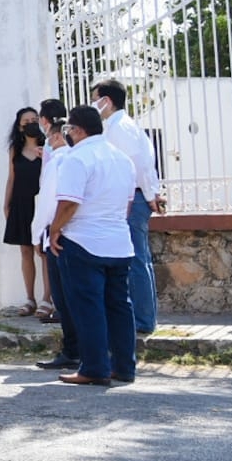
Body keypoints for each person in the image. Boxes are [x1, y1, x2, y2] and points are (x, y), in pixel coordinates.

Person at [46, 105, 138, 386]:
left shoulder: (77, 158)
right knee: (120, 306)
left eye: (69, 129)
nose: (68, 134)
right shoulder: (122, 159)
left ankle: (95, 367)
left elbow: (70, 201)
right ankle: (123, 366)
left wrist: (55, 229)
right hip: (119, 242)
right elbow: (128, 205)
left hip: (83, 240)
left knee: (88, 307)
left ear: (78, 130)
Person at [91, 78, 163, 334]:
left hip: (132, 199)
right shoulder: (117, 125)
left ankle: (143, 321)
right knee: (134, 261)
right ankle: (139, 318)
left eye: (95, 98)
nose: (93, 104)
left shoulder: (119, 127)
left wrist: (150, 193)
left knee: (136, 261)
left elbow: (139, 164)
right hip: (129, 198)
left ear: (106, 101)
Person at [29, 99, 80, 371]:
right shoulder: (78, 158)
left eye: (50, 135)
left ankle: (72, 350)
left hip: (57, 235)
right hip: (79, 234)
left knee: (64, 299)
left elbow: (47, 202)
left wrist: (37, 234)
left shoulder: (58, 161)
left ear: (57, 135)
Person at [2, 106, 51, 318]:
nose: (30, 123)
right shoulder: (15, 149)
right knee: (25, 251)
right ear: (19, 125)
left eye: (34, 119)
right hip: (22, 203)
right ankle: (29, 298)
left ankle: (47, 299)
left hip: (42, 203)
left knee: (44, 252)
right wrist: (6, 203)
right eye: (26, 120)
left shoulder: (48, 147)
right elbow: (11, 178)